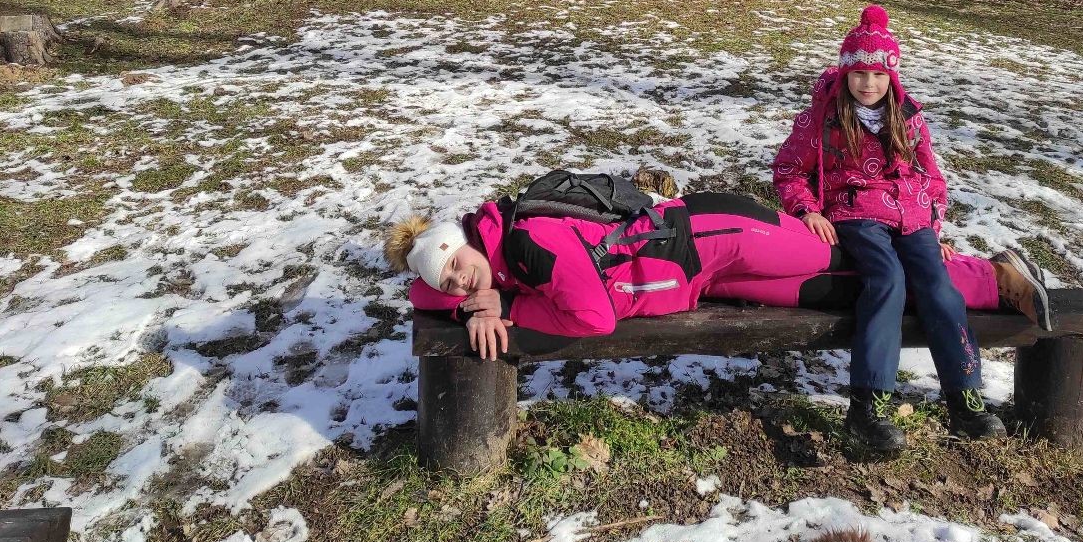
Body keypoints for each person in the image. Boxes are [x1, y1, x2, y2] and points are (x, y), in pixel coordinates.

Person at [773, 5, 1045, 452]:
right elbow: (788, 170)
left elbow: (932, 177)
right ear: (845, 73)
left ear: (892, 76)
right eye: (859, 74)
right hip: (856, 215)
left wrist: (934, 226)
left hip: (913, 217)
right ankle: (868, 407)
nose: (868, 84)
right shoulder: (823, 118)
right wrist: (808, 210)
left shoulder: (908, 117)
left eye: (878, 75)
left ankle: (965, 400)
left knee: (939, 288)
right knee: (887, 281)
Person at [388, 185, 1046, 369]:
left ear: (466, 241)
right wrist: (474, 305)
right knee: (835, 289)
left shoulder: (526, 243)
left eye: (457, 266)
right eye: (448, 284)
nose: (459, 283)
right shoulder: (497, 268)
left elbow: (593, 317)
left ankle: (993, 275)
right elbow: (438, 296)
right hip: (700, 278)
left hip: (714, 235)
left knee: (840, 256)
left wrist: (507, 314)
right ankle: (980, 278)